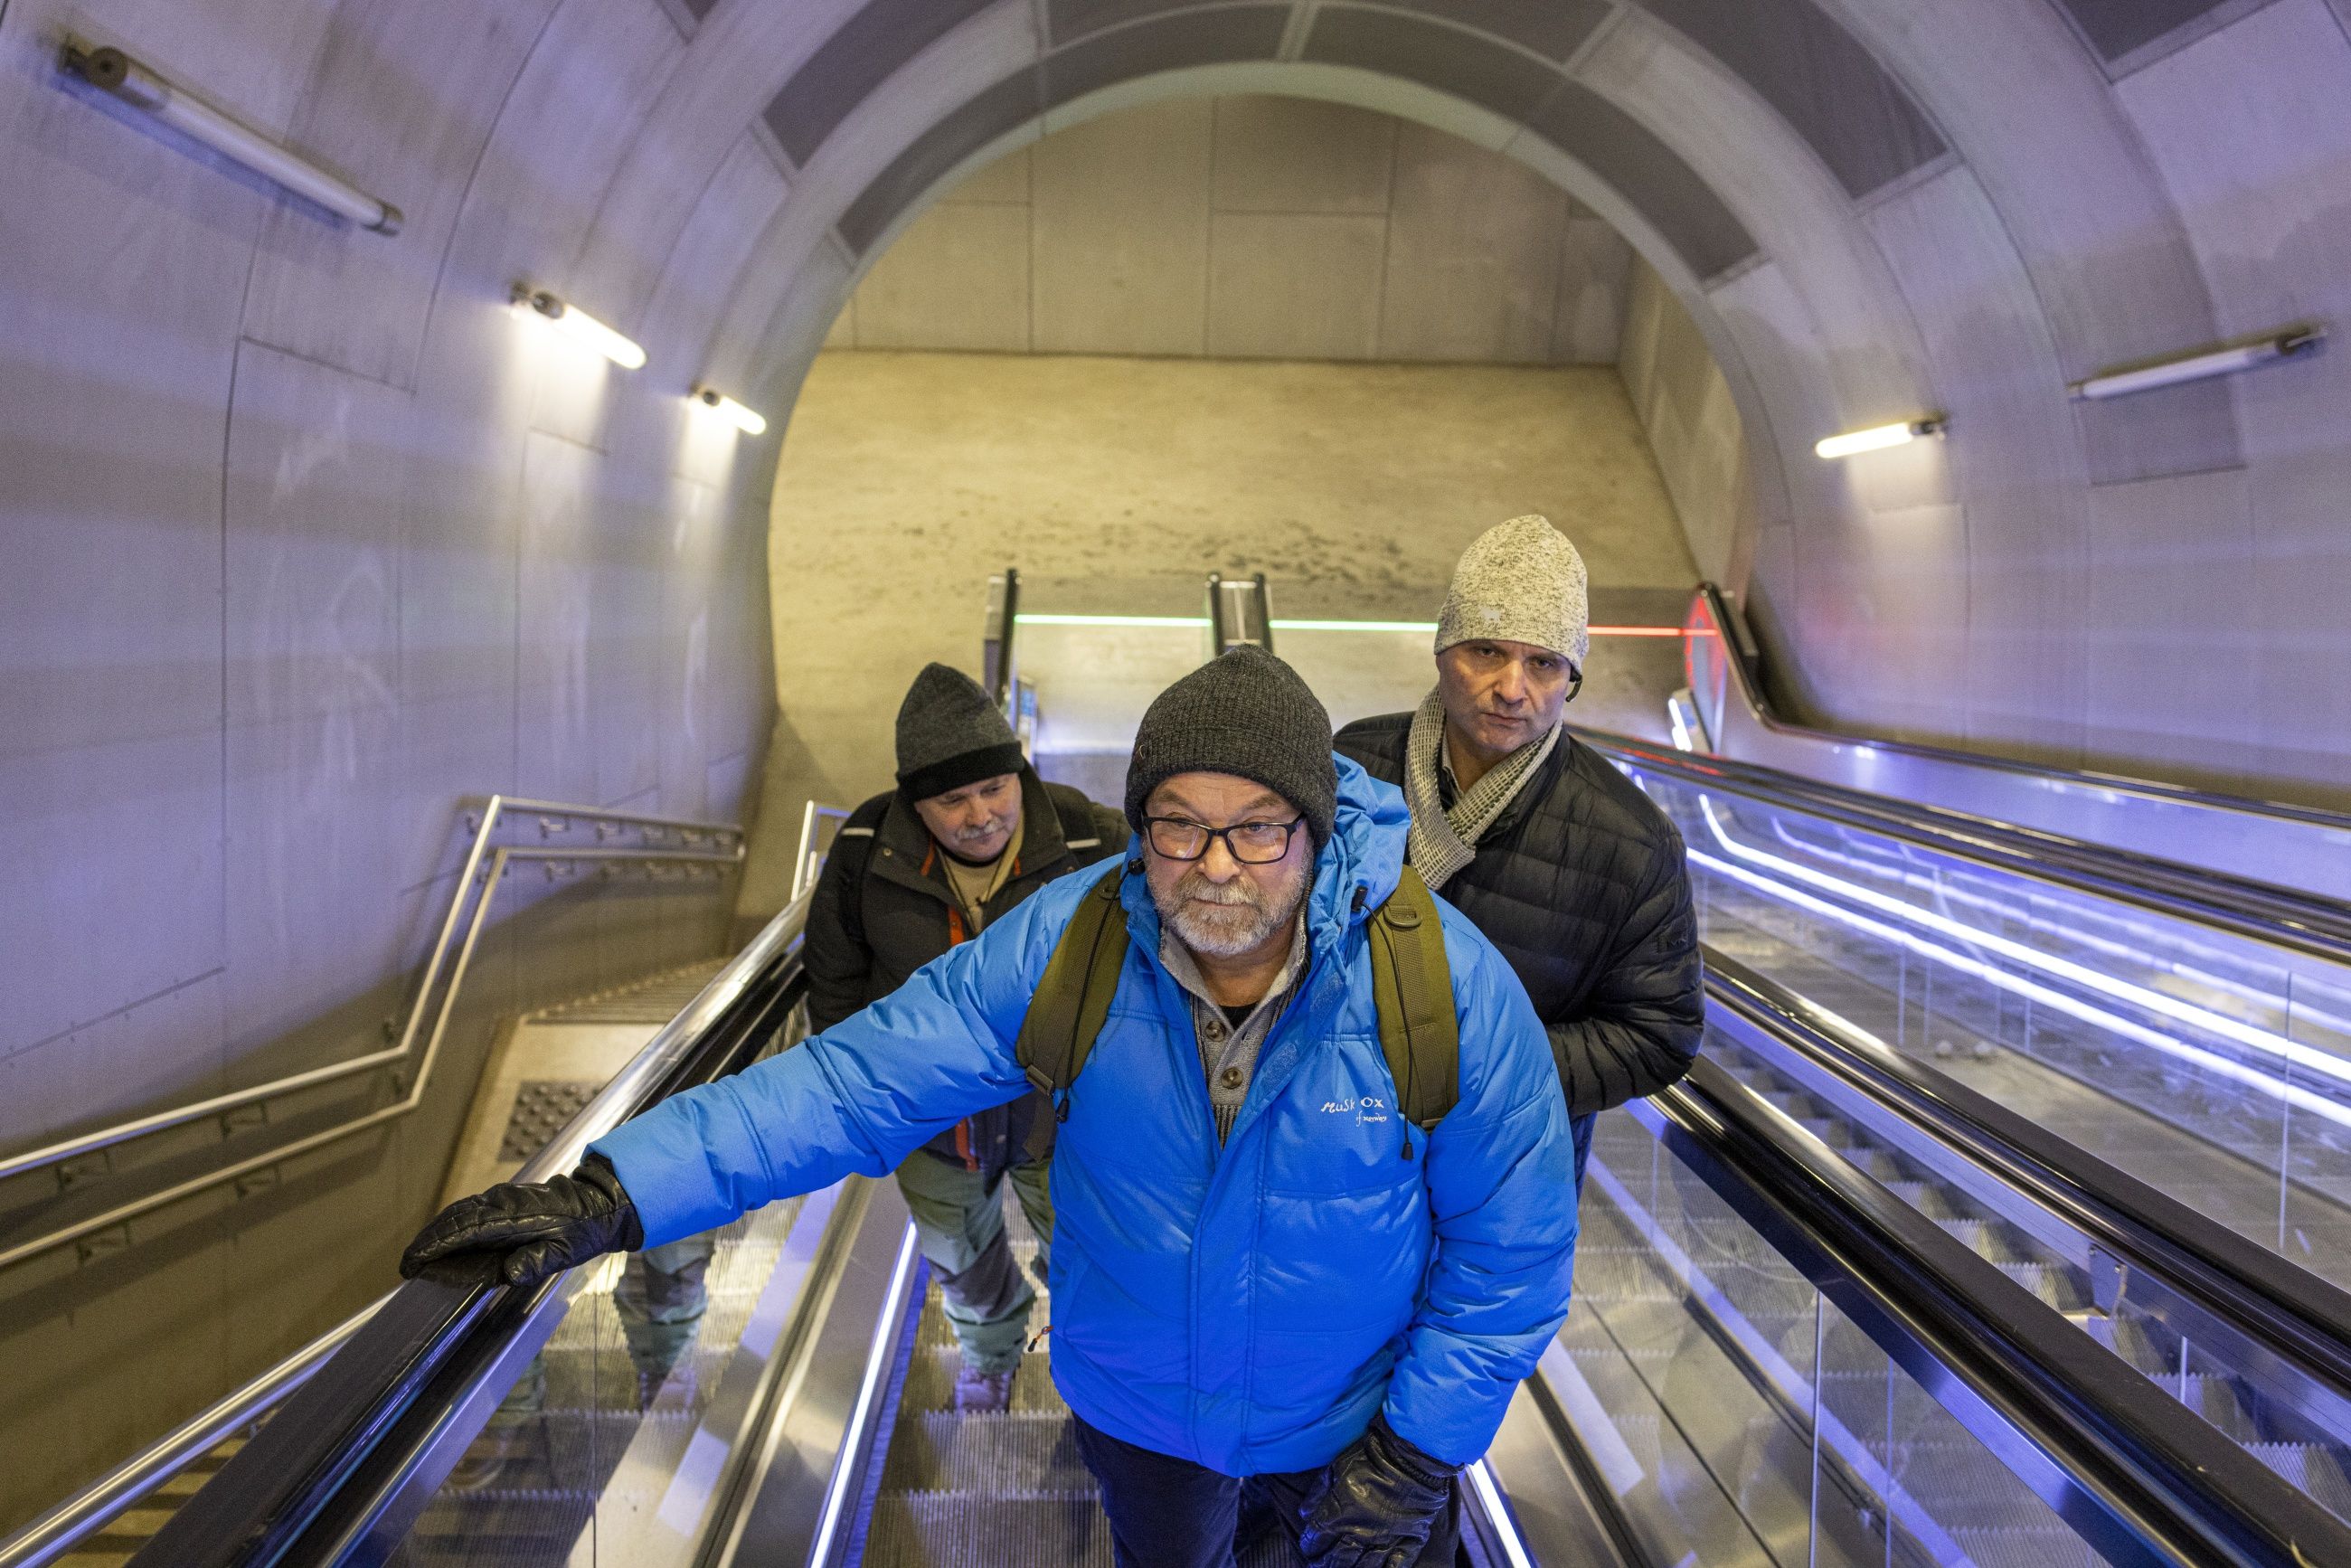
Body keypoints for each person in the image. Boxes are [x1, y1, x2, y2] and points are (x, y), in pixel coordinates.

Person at [402, 647, 1580, 1568]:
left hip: (1354, 1430)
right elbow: (854, 1076)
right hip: (1145, 1423)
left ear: (1317, 833)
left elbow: (1512, 1251)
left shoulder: (1437, 983)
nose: (1215, 865)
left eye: (1258, 826)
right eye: (1178, 822)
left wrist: (1423, 1450)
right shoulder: (1073, 939)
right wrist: (617, 1191)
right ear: (1140, 828)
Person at [1336, 514, 1705, 1186]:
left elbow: (1658, 1035)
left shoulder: (1631, 840)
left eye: (1543, 663)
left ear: (1571, 677)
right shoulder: (1351, 764)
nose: (1513, 688)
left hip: (1507, 1172)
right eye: (1486, 652)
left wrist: (1480, 1074)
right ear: (1443, 648)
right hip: (1334, 1145)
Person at [805, 661, 1126, 1411]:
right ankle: (991, 1350)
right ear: (917, 806)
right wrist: (866, 1108)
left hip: (1066, 1124)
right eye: (953, 800)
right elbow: (836, 990)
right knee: (962, 1262)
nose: (981, 815)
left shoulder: (1091, 840)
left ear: (1020, 774)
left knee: (1090, 1256)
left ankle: (1099, 1376)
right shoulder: (862, 852)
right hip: (933, 1127)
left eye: (996, 787)